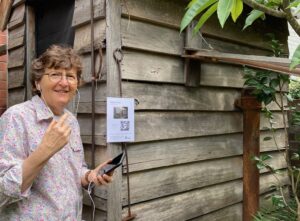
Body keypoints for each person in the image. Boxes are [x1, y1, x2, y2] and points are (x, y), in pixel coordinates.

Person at [0, 45, 113, 220]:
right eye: (55, 74)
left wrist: (89, 176)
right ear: (38, 82)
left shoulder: (70, 121)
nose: (64, 82)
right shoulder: (16, 117)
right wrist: (45, 150)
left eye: (70, 76)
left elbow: (75, 170)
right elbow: (2, 192)